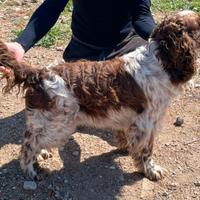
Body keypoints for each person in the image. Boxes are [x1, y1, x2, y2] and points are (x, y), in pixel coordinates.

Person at [0, 0, 155, 74]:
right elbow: (51, 8)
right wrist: (21, 44)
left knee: (140, 86)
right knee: (76, 97)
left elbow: (141, 17)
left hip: (124, 45)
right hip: (85, 48)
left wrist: (161, 38)